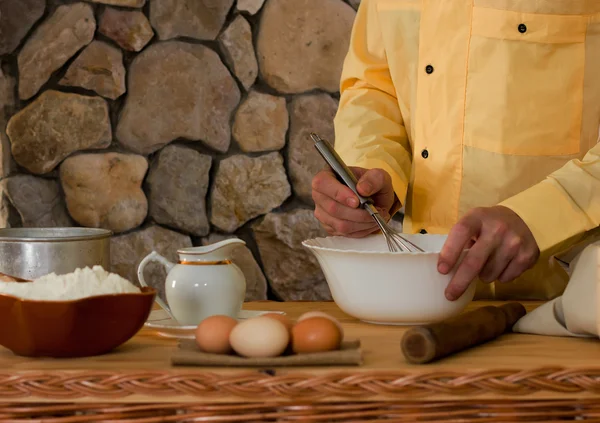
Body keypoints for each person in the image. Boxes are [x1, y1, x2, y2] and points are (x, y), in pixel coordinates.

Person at [311, 0, 600, 301]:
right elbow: (375, 84)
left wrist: (545, 214)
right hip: (425, 300)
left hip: (572, 300)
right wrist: (370, 169)